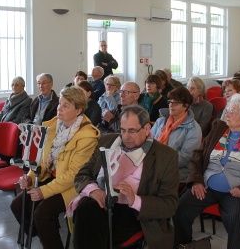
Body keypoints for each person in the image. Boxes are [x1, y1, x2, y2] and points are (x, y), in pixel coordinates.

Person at [174, 94, 240, 249]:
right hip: (207, 187)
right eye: (228, 110)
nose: (227, 114)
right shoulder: (218, 130)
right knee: (180, 210)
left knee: (237, 220)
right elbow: (198, 156)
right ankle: (184, 245)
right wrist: (196, 180)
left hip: (236, 191)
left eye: (233, 112)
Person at [71, 105, 179, 249]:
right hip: (102, 202)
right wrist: (93, 190)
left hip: (134, 212)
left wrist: (135, 199)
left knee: (91, 230)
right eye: (122, 130)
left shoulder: (165, 156)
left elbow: (170, 205)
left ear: (147, 129)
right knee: (86, 207)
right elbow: (83, 174)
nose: (126, 136)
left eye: (132, 131)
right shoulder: (107, 141)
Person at [10, 86, 100, 249]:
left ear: (78, 110)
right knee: (17, 205)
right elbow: (41, 160)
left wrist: (43, 192)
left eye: (66, 106)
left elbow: (74, 175)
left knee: (42, 213)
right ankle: (44, 234)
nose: (59, 108)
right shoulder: (53, 126)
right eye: (60, 103)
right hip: (51, 177)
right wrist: (30, 177)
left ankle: (49, 237)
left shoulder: (87, 136)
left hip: (72, 185)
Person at [150, 86, 202, 189]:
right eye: (170, 102)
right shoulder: (161, 122)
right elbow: (148, 142)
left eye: (176, 103)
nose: (171, 105)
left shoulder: (193, 129)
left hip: (177, 172)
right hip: (154, 165)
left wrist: (157, 162)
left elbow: (184, 158)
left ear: (185, 106)